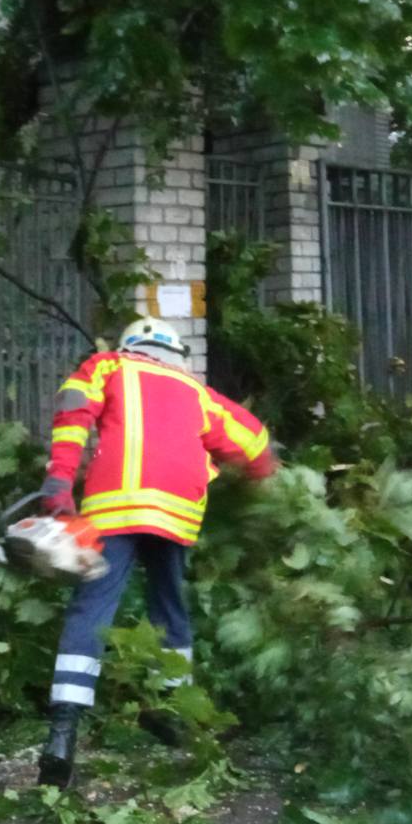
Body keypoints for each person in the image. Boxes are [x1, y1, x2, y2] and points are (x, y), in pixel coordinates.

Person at [35, 316, 277, 788]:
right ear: (177, 356)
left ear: (130, 348)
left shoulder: (107, 366)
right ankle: (168, 714)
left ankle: (62, 734)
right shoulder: (197, 392)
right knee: (171, 607)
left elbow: (72, 412)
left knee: (91, 609)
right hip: (177, 514)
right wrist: (265, 484)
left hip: (114, 508)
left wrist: (59, 481)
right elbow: (254, 442)